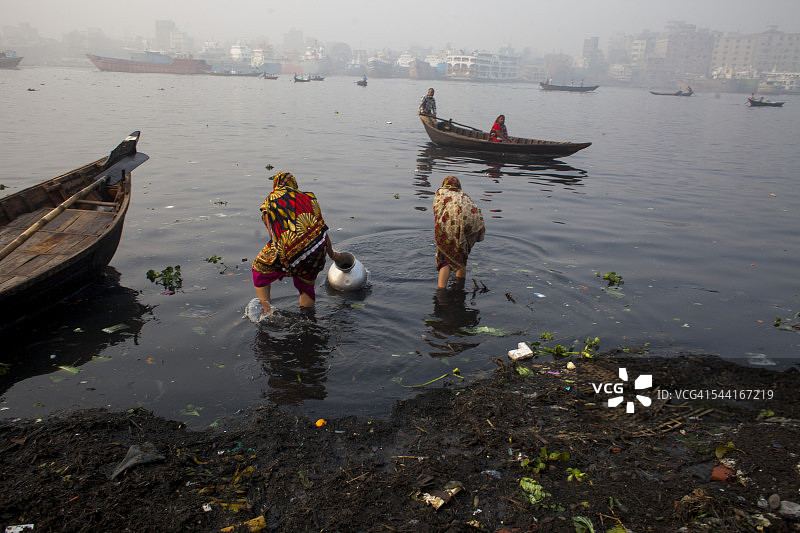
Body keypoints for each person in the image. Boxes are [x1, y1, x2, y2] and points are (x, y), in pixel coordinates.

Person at [252, 171, 342, 313]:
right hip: (316, 250)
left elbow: (273, 235)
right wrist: (332, 254)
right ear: (294, 183)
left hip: (288, 250)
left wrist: (287, 265)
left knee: (258, 269)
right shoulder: (309, 197)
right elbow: (322, 229)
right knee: (306, 287)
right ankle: (308, 319)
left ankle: (267, 311)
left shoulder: (270, 201)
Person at [433, 176, 485, 289]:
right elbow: (474, 213)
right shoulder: (464, 196)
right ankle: (459, 285)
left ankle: (441, 291)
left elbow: (437, 213)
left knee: (444, 259)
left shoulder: (440, 192)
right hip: (469, 224)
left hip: (449, 225)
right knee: (461, 254)